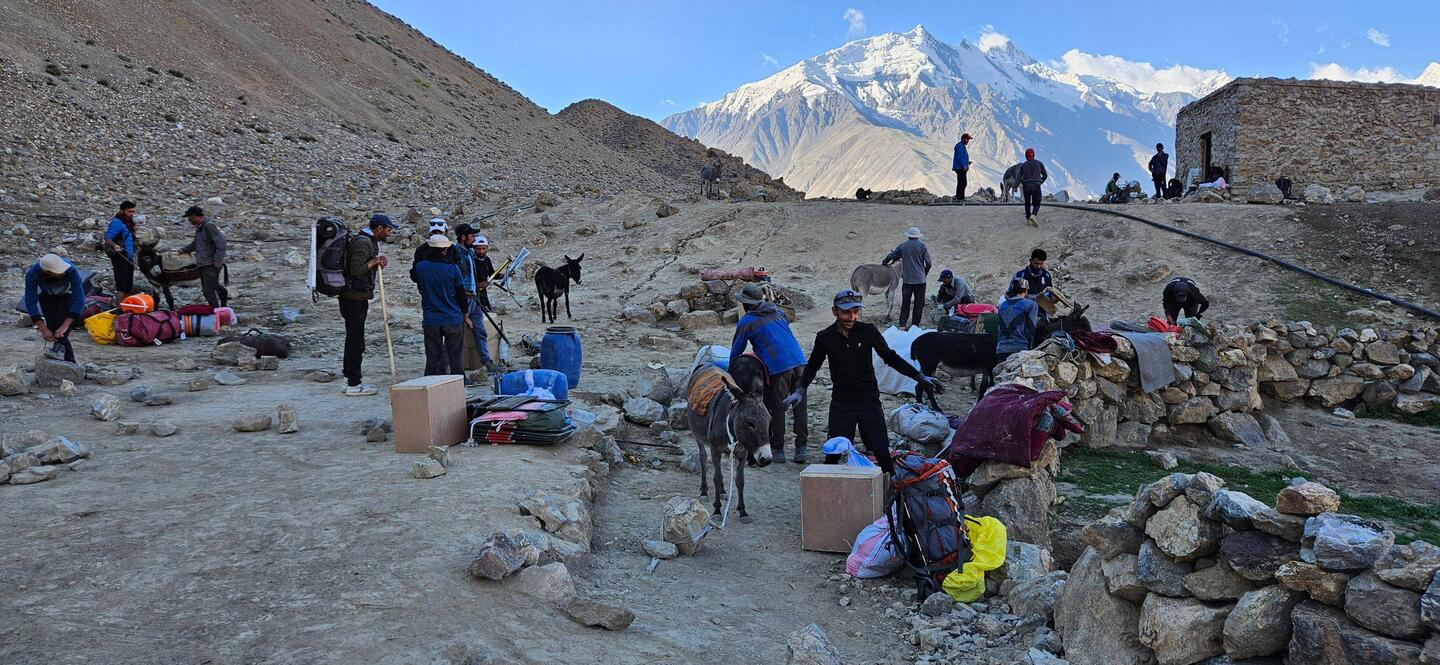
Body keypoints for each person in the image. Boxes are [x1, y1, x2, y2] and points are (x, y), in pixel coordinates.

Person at [781, 290, 943, 475]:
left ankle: (890, 489)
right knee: (834, 453)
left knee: (882, 453)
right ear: (835, 311)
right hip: (842, 404)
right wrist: (800, 389)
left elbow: (890, 357)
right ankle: (829, 492)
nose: (852, 317)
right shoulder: (825, 337)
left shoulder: (868, 331)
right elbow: (813, 366)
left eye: (855, 311)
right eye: (846, 312)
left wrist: (919, 376)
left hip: (869, 402)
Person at [730, 284, 809, 463]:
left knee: (778, 407)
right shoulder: (777, 312)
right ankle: (801, 448)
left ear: (746, 304)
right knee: (800, 405)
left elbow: (736, 351)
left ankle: (778, 449)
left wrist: (729, 376)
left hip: (779, 367)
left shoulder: (747, 321)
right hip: (800, 362)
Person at [338, 214, 394, 397]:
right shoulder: (363, 243)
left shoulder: (367, 240)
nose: (390, 233)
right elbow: (355, 270)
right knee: (356, 342)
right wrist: (374, 261)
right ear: (379, 228)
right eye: (388, 229)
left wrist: (375, 261)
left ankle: (349, 378)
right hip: (353, 298)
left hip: (355, 297)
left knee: (354, 339)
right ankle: (354, 384)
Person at [413, 235, 469, 377]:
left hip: (431, 319)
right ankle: (459, 384)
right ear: (445, 250)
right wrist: (465, 314)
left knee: (433, 359)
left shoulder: (421, 267)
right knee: (455, 358)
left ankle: (431, 385)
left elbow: (415, 278)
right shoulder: (453, 269)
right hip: (452, 318)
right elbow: (461, 294)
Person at [24, 254, 86, 363]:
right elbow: (30, 301)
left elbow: (79, 299)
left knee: (61, 333)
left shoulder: (70, 270)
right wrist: (43, 329)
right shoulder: (33, 274)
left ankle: (69, 362)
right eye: (58, 272)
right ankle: (64, 360)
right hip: (47, 295)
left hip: (67, 295)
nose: (62, 272)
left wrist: (65, 325)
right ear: (47, 272)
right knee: (52, 329)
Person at [454, 225, 496, 377]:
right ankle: (454, 368)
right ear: (463, 237)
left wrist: (477, 288)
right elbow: (457, 279)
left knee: (481, 331)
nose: (474, 239)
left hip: (474, 298)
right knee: (457, 336)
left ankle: (486, 361)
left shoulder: (470, 253)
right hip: (462, 299)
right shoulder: (456, 253)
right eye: (472, 236)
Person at [882, 226, 932, 329]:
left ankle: (902, 325)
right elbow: (929, 262)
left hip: (907, 280)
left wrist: (884, 262)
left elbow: (893, 255)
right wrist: (925, 272)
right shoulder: (922, 246)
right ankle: (915, 325)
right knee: (919, 303)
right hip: (920, 280)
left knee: (905, 302)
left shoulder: (903, 246)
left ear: (908, 236)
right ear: (918, 236)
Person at [179, 205, 227, 307]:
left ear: (193, 215)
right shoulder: (200, 228)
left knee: (207, 290)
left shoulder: (208, 226)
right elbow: (196, 244)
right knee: (213, 286)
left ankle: (215, 311)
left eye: (189, 217)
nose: (189, 220)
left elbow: (221, 242)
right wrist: (183, 250)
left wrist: (217, 260)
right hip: (204, 263)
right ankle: (222, 304)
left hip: (210, 264)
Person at [995, 279, 1039, 363]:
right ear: (1026, 290)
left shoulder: (1002, 305)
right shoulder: (1031, 305)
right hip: (1020, 348)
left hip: (1001, 349)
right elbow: (1031, 329)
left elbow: (999, 329)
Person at [103, 201, 138, 301]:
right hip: (120, 256)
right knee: (121, 285)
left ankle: (126, 305)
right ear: (122, 211)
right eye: (129, 211)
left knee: (128, 284)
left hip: (129, 257)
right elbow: (108, 238)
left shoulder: (129, 222)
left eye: (133, 211)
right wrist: (115, 246)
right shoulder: (117, 222)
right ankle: (119, 305)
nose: (132, 214)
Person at [411, 217, 458, 282]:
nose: (437, 234)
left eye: (440, 232)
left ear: (446, 232)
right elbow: (415, 273)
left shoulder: (453, 249)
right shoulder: (421, 249)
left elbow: (461, 270)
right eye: (434, 232)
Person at [1019, 148, 1047, 227]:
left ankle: (1028, 219)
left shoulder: (1023, 165)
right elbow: (1045, 175)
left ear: (1026, 156)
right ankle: (1033, 215)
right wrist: (1040, 182)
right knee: (1037, 202)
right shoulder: (1039, 163)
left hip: (1026, 186)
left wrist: (1015, 186)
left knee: (1027, 203)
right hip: (1036, 185)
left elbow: (1018, 177)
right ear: (1034, 155)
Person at [952, 133, 971, 201]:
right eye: (967, 139)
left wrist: (967, 163)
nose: (968, 141)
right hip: (960, 168)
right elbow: (960, 157)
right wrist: (964, 165)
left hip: (961, 167)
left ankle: (960, 197)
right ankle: (960, 198)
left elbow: (962, 157)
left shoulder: (962, 146)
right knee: (962, 183)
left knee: (962, 183)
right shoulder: (960, 146)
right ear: (963, 139)